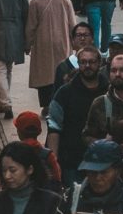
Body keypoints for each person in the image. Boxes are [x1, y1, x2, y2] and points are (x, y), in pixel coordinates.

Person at [46, 36, 110, 170]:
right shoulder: (64, 93)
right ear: (78, 64)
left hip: (104, 159)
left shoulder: (109, 91)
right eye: (83, 62)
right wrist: (53, 161)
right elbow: (54, 126)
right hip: (71, 160)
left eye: (92, 62)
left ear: (99, 64)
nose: (87, 66)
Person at [24, 0, 78, 112]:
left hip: (43, 43)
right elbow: (73, 24)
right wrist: (76, 42)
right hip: (62, 41)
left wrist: (27, 44)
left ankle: (47, 104)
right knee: (61, 72)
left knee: (44, 74)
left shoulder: (35, 2)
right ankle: (60, 101)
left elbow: (31, 27)